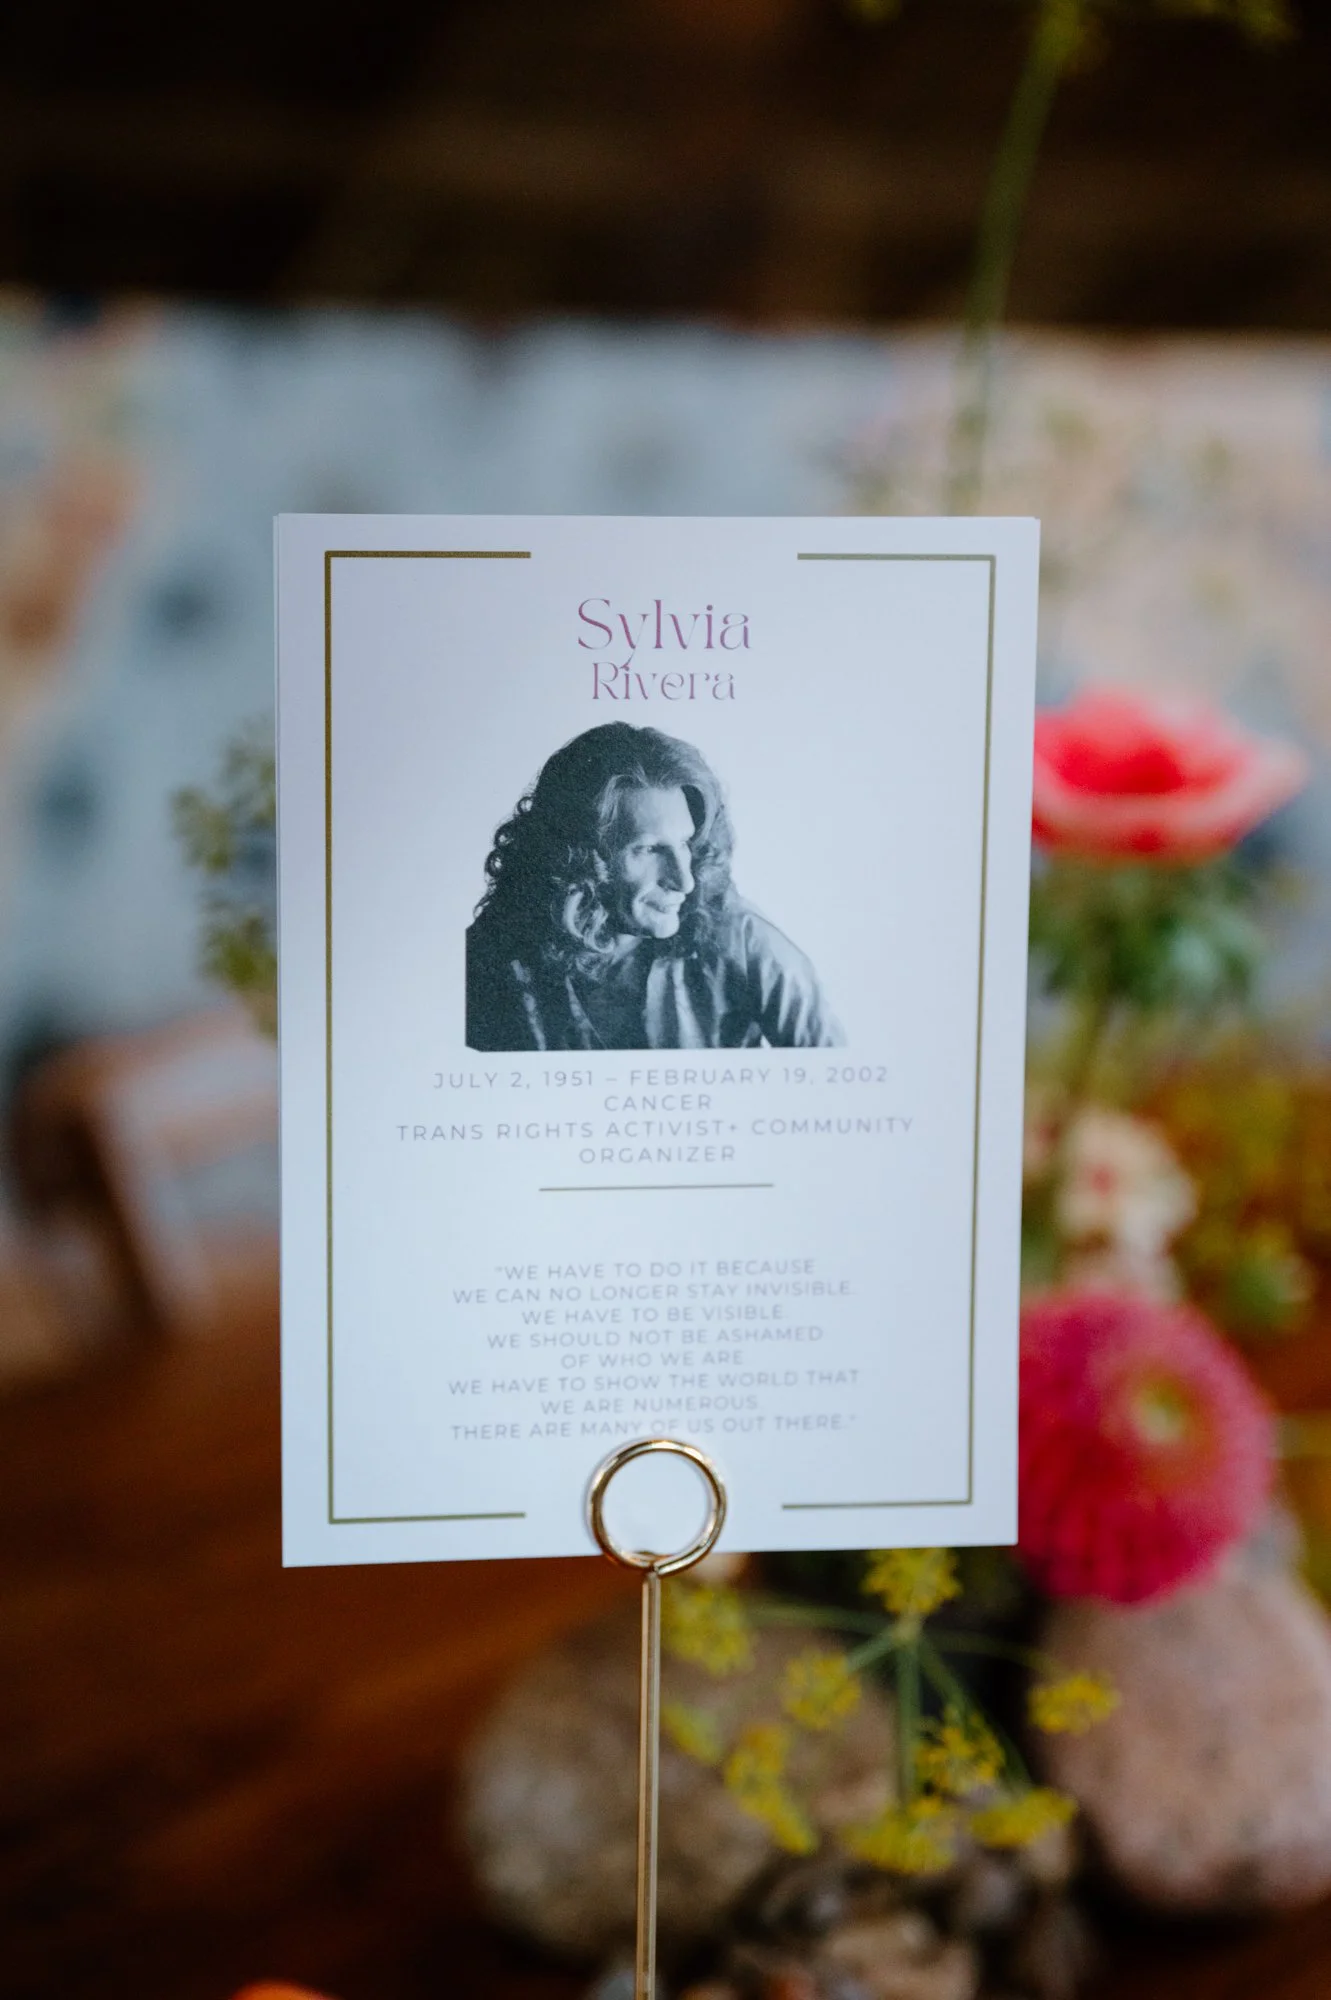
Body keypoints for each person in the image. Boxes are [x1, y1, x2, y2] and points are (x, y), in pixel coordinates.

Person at [465, 723, 844, 1050]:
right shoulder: (493, 956)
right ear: (577, 857)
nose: (684, 880)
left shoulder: (744, 942)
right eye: (648, 849)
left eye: (684, 844)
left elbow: (836, 1093)